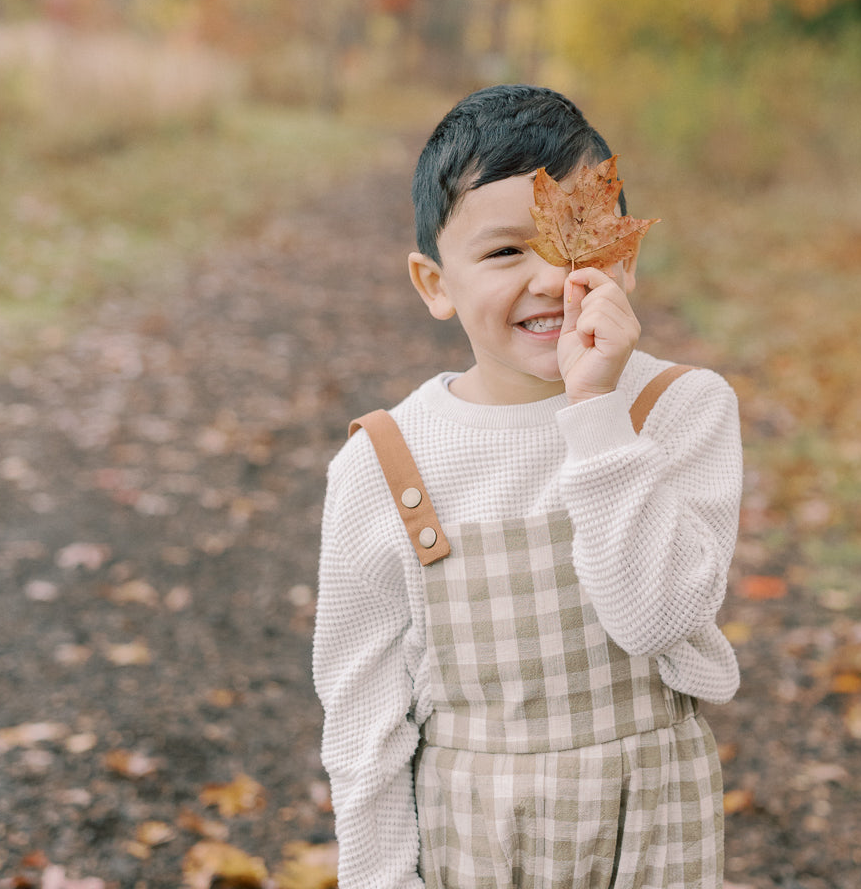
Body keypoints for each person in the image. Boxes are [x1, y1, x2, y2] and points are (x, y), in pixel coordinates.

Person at [312, 84, 743, 889]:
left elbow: (655, 620)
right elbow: (362, 710)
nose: (551, 279)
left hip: (655, 830)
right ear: (435, 283)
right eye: (507, 252)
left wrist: (596, 412)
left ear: (624, 257)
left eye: (576, 243)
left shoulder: (679, 409)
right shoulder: (387, 461)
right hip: (475, 842)